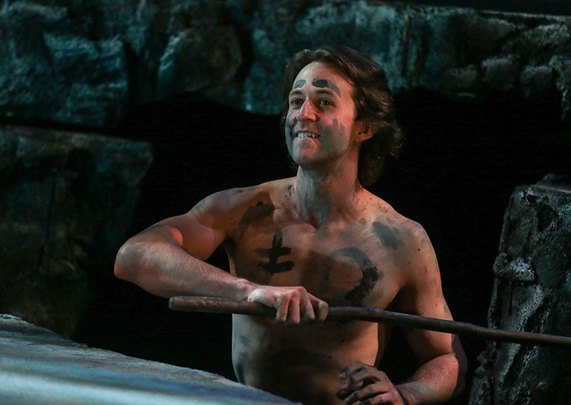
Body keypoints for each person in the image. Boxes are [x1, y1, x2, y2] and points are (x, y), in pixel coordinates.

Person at [114, 45, 467, 404]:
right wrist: (248, 291)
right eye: (296, 101)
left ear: (365, 127)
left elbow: (447, 357)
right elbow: (134, 256)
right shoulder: (244, 209)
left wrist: (405, 395)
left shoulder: (402, 241)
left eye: (324, 102)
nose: (303, 114)